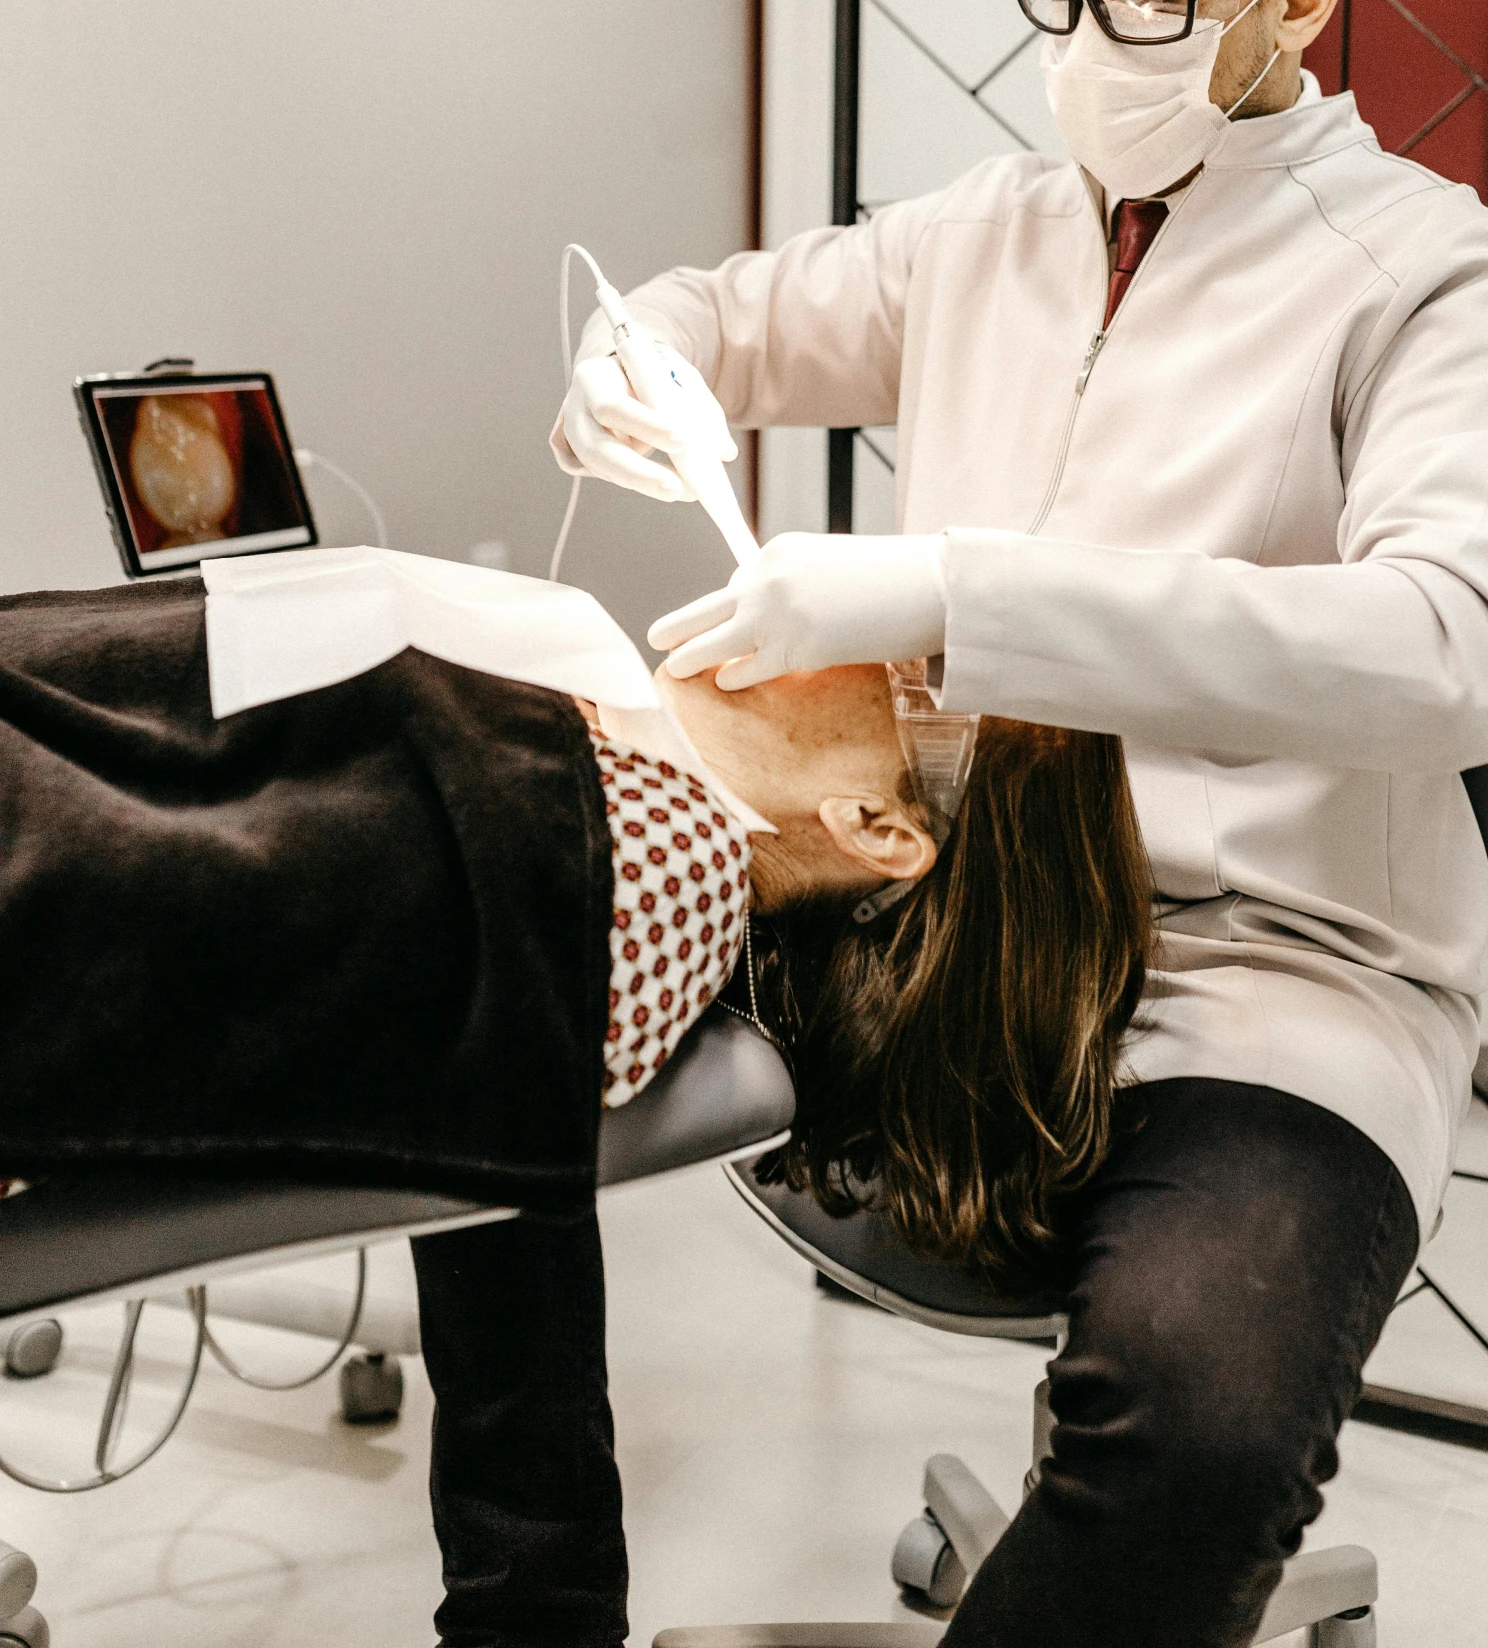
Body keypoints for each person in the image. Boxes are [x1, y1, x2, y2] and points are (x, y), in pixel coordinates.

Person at [553, 0, 1488, 1646]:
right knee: (484, 1011)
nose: (1086, 33)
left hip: (1266, 980)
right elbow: (727, 318)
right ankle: (523, 1600)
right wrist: (646, 358)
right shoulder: (989, 237)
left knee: (1187, 1428)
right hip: (937, 932)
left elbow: (1450, 649)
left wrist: (953, 589)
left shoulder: (1430, 279)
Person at [0, 562, 1149, 1643]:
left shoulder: (637, 861)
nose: (817, 611)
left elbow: (106, 890)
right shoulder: (591, 774)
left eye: (890, 659)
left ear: (876, 828)